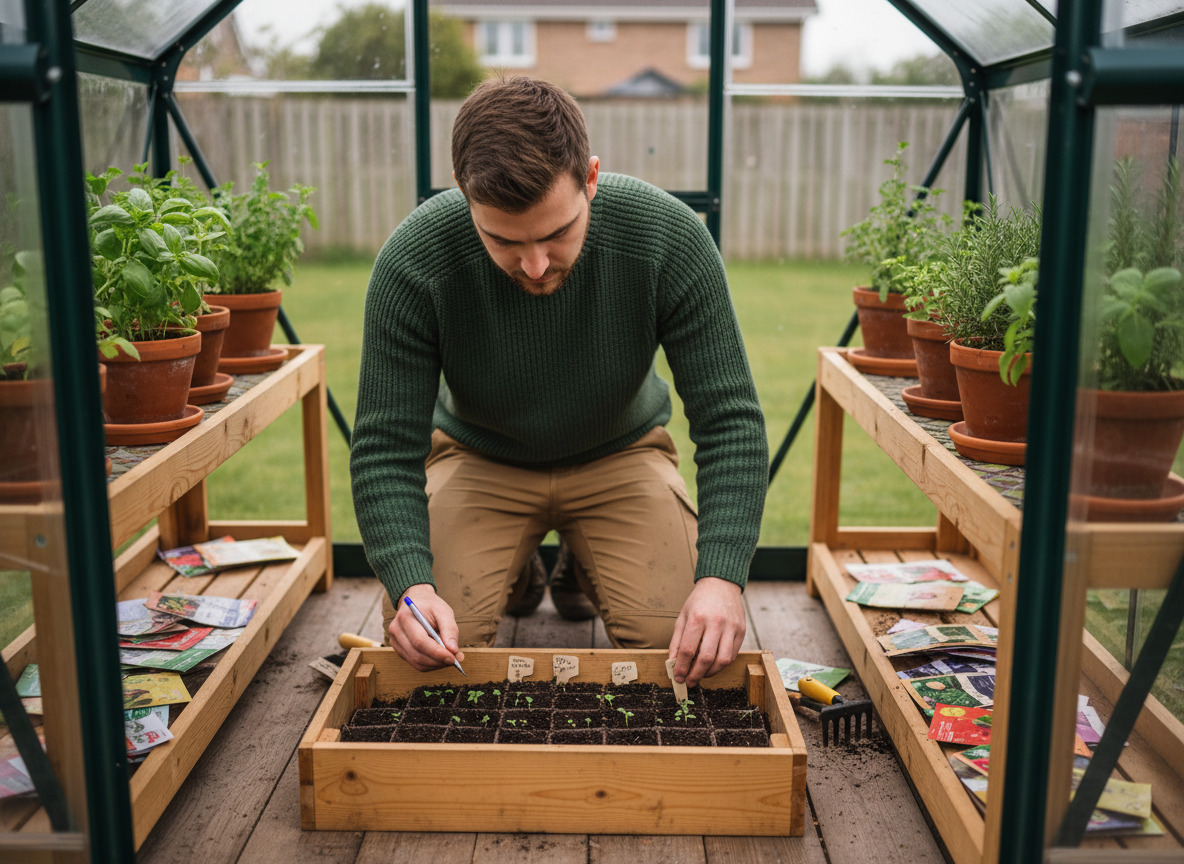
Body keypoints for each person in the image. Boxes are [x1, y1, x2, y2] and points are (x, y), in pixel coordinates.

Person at [350, 75, 767, 688]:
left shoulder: (668, 237)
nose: (536, 265)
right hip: (480, 455)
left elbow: (729, 418)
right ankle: (516, 568)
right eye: (503, 240)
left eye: (556, 233)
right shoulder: (415, 260)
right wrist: (412, 586)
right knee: (433, 651)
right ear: (465, 196)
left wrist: (722, 578)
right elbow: (385, 447)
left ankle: (580, 558)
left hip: (620, 454)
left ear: (590, 178)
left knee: (681, 646)